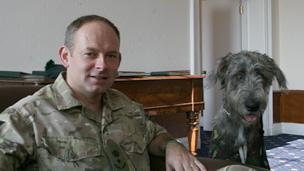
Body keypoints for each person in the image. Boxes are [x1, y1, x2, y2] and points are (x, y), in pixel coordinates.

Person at [0, 15, 206, 171]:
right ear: (65, 56)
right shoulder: (27, 117)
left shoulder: (125, 106)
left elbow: (152, 134)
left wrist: (171, 146)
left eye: (111, 56)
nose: (102, 65)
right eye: (90, 54)